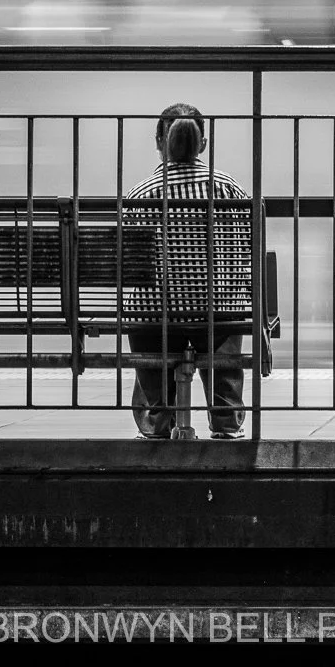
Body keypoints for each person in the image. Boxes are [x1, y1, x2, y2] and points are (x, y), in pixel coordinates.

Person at [125, 102, 252, 440]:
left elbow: (129, 270)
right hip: (218, 317)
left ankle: (156, 423)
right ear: (203, 144)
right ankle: (226, 422)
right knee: (223, 307)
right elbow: (247, 255)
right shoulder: (230, 189)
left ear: (158, 142)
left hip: (158, 321)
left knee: (147, 310)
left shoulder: (139, 196)